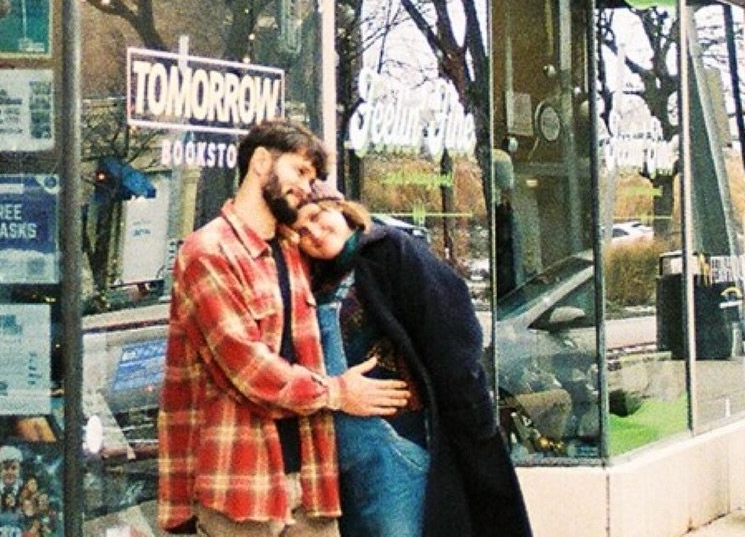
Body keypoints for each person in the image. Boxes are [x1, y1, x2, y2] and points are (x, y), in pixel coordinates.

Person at [158, 119, 411, 537]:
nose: (306, 187)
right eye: (299, 172)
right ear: (260, 162)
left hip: (312, 483)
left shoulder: (292, 250)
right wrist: (338, 393)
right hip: (242, 489)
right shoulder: (208, 252)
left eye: (312, 179)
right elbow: (250, 372)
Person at [292, 186, 533, 537]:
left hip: (399, 454)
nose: (313, 232)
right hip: (339, 466)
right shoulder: (314, 281)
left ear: (340, 208)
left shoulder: (391, 253)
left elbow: (453, 340)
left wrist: (475, 429)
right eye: (300, 231)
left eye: (316, 217)